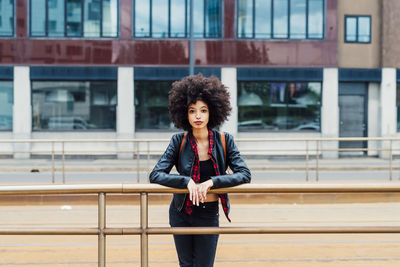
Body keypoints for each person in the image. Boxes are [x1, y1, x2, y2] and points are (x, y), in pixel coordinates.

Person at [149, 73, 251, 267]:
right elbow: (155, 174)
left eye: (203, 110)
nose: (198, 116)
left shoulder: (224, 140)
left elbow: (245, 174)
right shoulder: (178, 141)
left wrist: (213, 181)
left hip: (208, 213)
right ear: (184, 114)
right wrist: (185, 181)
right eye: (192, 110)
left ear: (212, 112)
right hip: (181, 213)